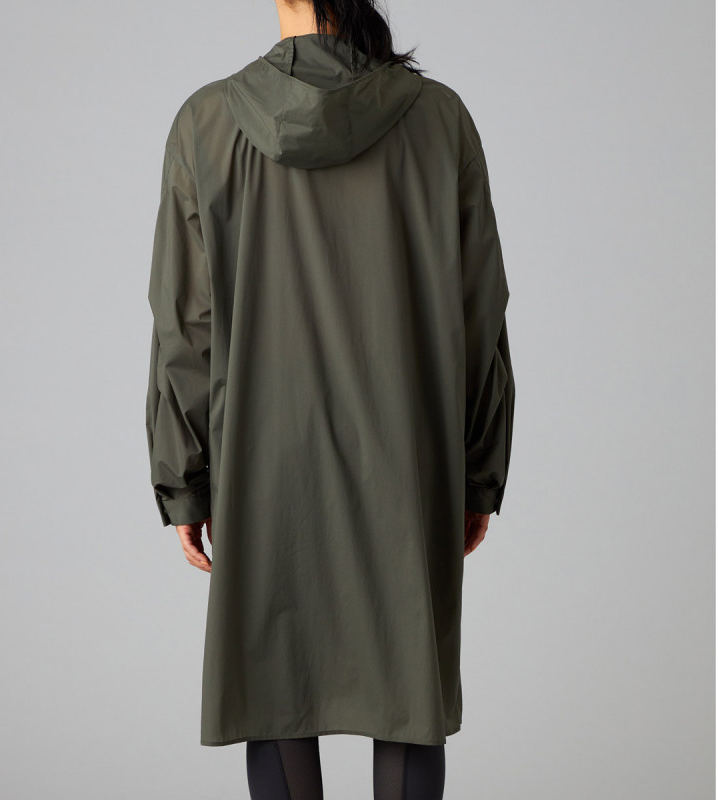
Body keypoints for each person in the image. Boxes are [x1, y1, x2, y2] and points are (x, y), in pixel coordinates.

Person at [145, 0, 516, 797]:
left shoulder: (207, 123)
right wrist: (478, 470)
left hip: (265, 467)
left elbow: (185, 325)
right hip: (409, 461)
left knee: (276, 689)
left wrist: (185, 482)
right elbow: (480, 310)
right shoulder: (438, 119)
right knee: (406, 692)